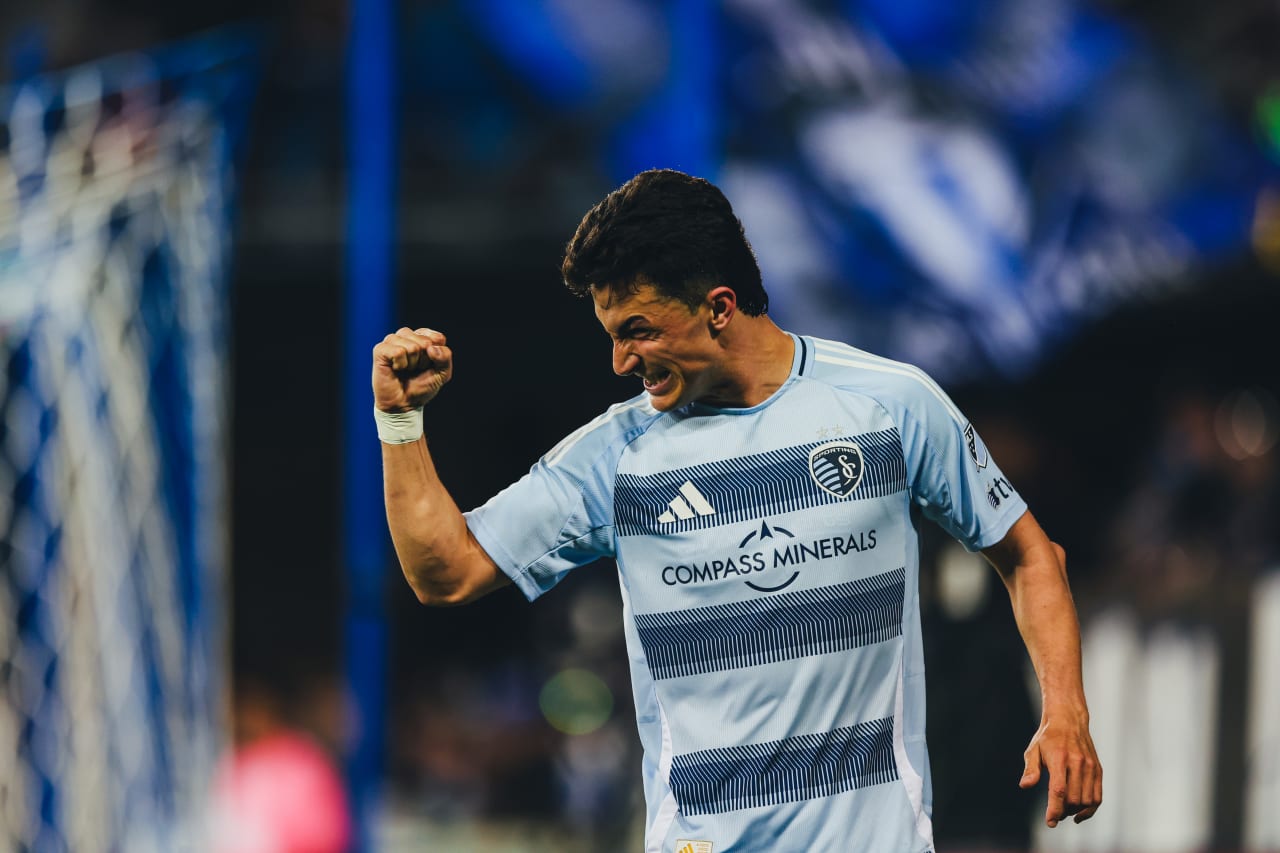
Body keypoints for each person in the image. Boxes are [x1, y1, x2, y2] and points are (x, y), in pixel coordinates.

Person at [372, 169, 1101, 851]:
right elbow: (448, 571)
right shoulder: (617, 456)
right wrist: (401, 423)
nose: (622, 361)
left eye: (639, 329)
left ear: (719, 307)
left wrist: (1064, 708)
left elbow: (1032, 553)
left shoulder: (888, 405)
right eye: (613, 334)